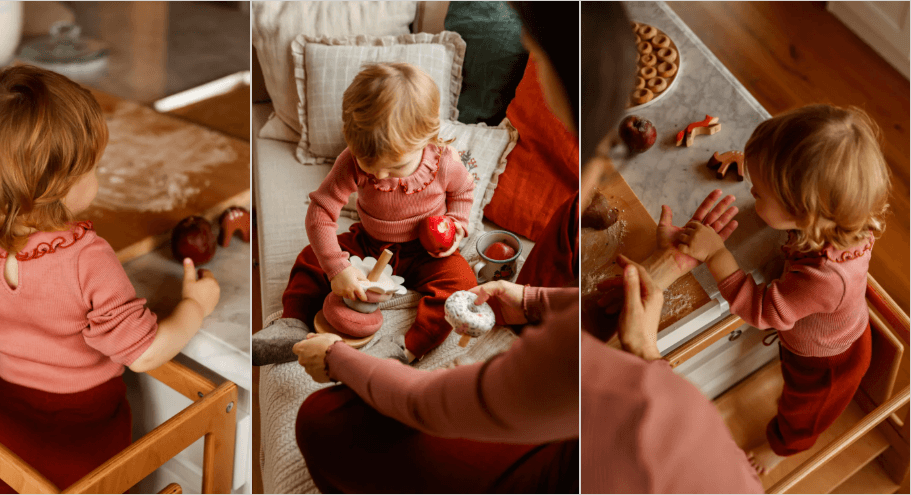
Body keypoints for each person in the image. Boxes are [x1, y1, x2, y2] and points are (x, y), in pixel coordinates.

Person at [292, 2, 764, 493]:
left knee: (321, 420)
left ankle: (409, 348)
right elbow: (323, 211)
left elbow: (427, 404)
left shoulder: (566, 361)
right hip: (659, 448)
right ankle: (293, 315)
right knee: (317, 266)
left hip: (569, 440)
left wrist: (337, 358)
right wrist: (534, 302)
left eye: (532, 52)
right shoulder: (630, 375)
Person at [0, 66, 220, 492]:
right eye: (92, 167)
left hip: (8, 418)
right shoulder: (88, 260)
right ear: (58, 188)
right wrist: (196, 305)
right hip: (88, 430)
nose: (97, 175)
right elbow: (144, 354)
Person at [676, 104, 889, 474]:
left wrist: (716, 253)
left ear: (804, 213)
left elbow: (763, 312)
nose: (752, 192)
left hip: (824, 365)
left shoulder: (821, 278)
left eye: (759, 194)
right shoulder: (839, 216)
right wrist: (768, 173)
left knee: (802, 412)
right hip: (840, 330)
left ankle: (783, 448)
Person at [251, 62, 478, 365]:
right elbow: (321, 212)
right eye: (368, 162)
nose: (380, 173)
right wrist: (337, 269)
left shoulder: (444, 162)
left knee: (462, 284)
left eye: (394, 166)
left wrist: (457, 225)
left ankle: (407, 348)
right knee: (310, 258)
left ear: (426, 138)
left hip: (426, 252)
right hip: (369, 243)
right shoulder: (351, 162)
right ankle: (291, 323)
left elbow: (463, 192)